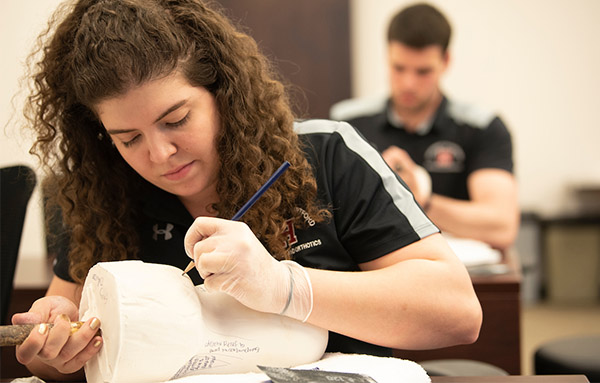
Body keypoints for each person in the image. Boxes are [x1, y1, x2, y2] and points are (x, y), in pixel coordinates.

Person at [12, 0, 482, 381]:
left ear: (224, 93)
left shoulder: (327, 155)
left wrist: (284, 287)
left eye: (176, 120)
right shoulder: (104, 191)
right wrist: (51, 352)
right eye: (128, 138)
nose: (158, 154)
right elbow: (62, 348)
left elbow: (457, 313)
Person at [345, 3, 519, 250]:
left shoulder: (483, 127)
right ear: (387, 56)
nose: (408, 83)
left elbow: (502, 226)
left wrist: (418, 199)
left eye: (423, 71)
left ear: (446, 61)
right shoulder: (348, 124)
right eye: (399, 68)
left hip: (460, 275)